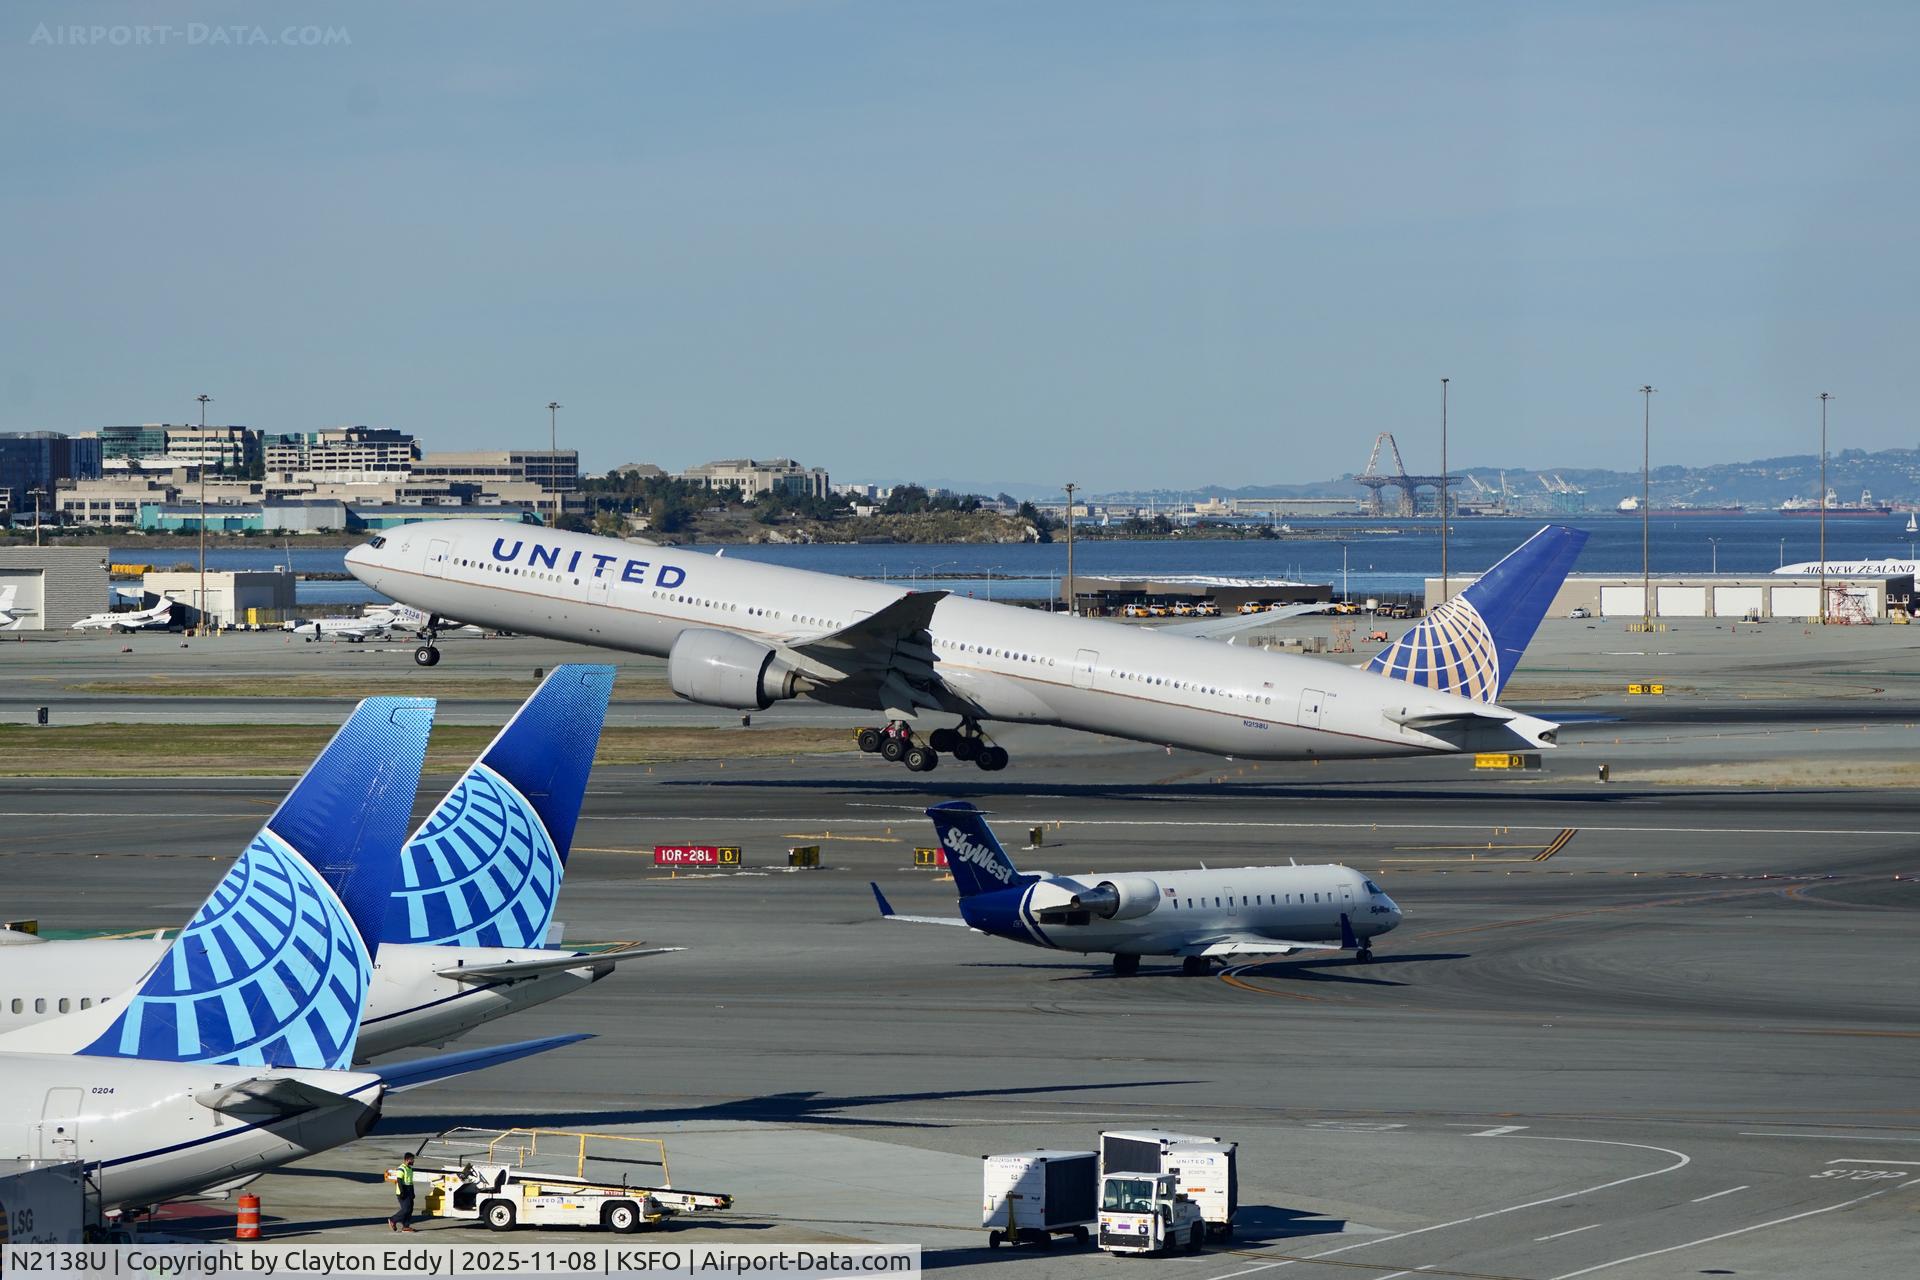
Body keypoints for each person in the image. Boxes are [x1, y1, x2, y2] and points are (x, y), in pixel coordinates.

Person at [388, 1152, 417, 1232]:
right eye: (412, 1159)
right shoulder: (401, 1168)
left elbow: (410, 1182)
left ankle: (406, 1226)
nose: (413, 1161)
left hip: (409, 1191)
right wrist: (402, 1192)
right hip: (403, 1192)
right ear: (407, 1160)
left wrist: (413, 1192)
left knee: (410, 1209)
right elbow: (399, 1181)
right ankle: (393, 1220)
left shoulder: (410, 1169)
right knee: (406, 1209)